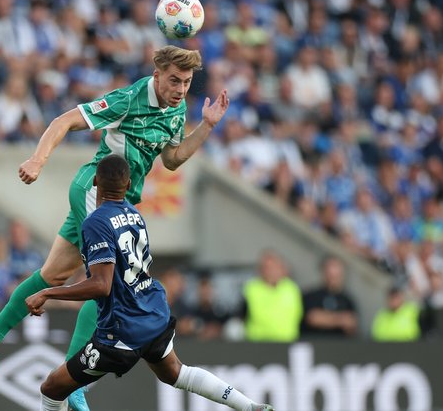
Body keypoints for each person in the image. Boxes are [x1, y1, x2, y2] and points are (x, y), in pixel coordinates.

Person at [0, 45, 230, 408]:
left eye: (185, 82)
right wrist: (38, 159)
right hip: (95, 192)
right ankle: (74, 380)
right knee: (110, 283)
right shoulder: (130, 98)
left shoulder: (177, 108)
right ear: (156, 76)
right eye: (173, 80)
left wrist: (207, 126)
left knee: (53, 276)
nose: (180, 89)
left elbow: (172, 159)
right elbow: (64, 121)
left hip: (119, 201)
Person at [24, 155, 273, 411]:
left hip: (122, 329)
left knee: (52, 387)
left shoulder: (95, 223)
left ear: (96, 181)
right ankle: (249, 406)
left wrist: (48, 292)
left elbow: (101, 285)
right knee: (176, 373)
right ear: (128, 183)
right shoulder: (134, 213)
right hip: (152, 312)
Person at [300, 257, 358, 338]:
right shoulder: (311, 295)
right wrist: (341, 319)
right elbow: (313, 318)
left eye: (337, 275)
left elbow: (351, 325)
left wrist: (327, 318)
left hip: (338, 347)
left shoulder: (348, 300)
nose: (333, 277)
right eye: (331, 274)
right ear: (324, 273)